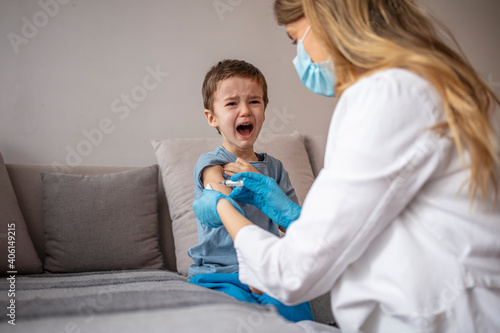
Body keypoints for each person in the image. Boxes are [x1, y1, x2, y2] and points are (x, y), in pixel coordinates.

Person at [192, 0, 500, 332]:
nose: (301, 55)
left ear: (326, 21)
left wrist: (223, 206)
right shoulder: (424, 85)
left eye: (297, 39)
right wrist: (294, 218)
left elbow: (292, 270)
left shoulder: (387, 96)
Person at [187, 59, 314, 323]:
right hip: (219, 274)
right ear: (212, 118)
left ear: (265, 110)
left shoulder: (275, 169)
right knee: (236, 319)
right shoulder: (211, 163)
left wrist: (266, 265)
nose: (245, 110)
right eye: (232, 103)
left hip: (268, 270)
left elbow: (294, 229)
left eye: (254, 101)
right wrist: (253, 258)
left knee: (295, 316)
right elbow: (218, 195)